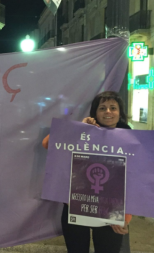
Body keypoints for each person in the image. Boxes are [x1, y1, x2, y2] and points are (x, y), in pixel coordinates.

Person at [42, 91, 131, 253]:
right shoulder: (85, 132)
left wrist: (126, 217)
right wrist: (80, 128)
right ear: (95, 113)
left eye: (113, 108)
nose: (108, 112)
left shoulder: (131, 138)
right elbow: (47, 143)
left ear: (120, 112)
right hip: (76, 204)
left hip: (111, 211)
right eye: (102, 108)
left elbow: (135, 179)